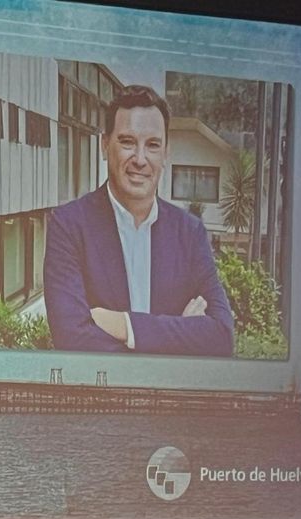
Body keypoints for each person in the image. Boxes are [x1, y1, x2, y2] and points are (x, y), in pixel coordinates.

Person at [43, 84, 235, 356]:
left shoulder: (190, 232)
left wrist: (126, 326)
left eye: (153, 145)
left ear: (166, 153)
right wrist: (182, 334)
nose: (140, 159)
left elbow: (222, 338)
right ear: (104, 145)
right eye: (127, 142)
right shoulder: (68, 225)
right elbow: (71, 338)